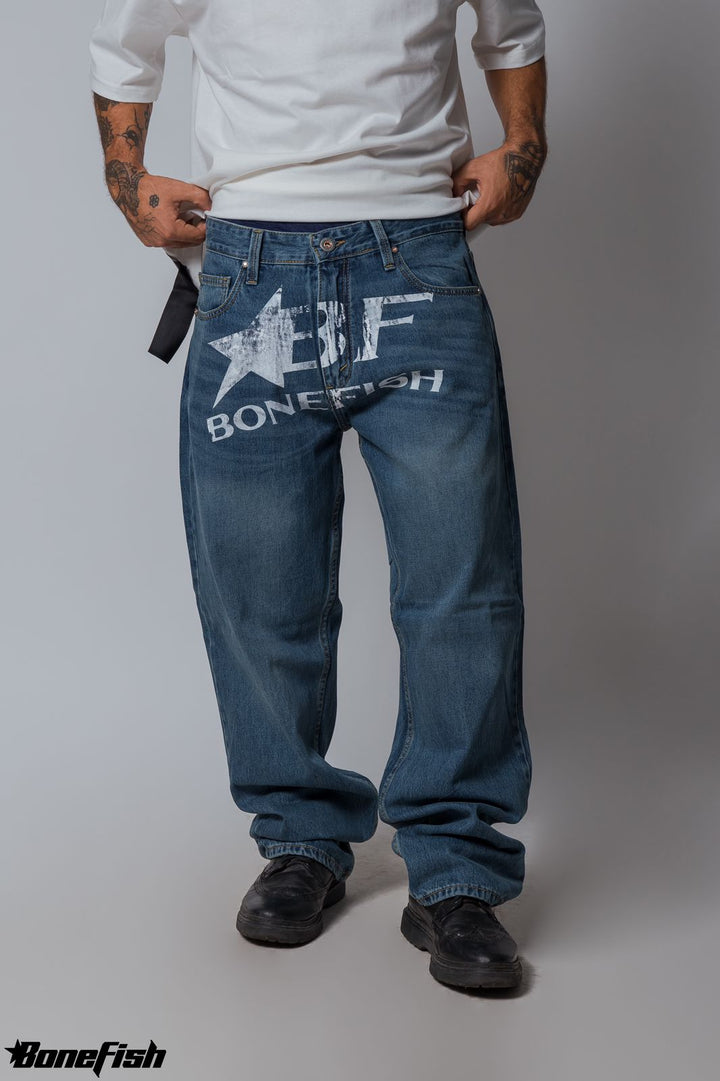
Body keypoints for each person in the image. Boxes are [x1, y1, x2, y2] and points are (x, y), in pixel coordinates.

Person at [89, 0, 547, 992]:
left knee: (461, 580)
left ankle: (457, 870)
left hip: (417, 263)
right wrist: (128, 181)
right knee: (261, 586)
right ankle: (300, 836)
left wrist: (523, 144)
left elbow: (511, 29)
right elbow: (122, 47)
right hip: (250, 270)